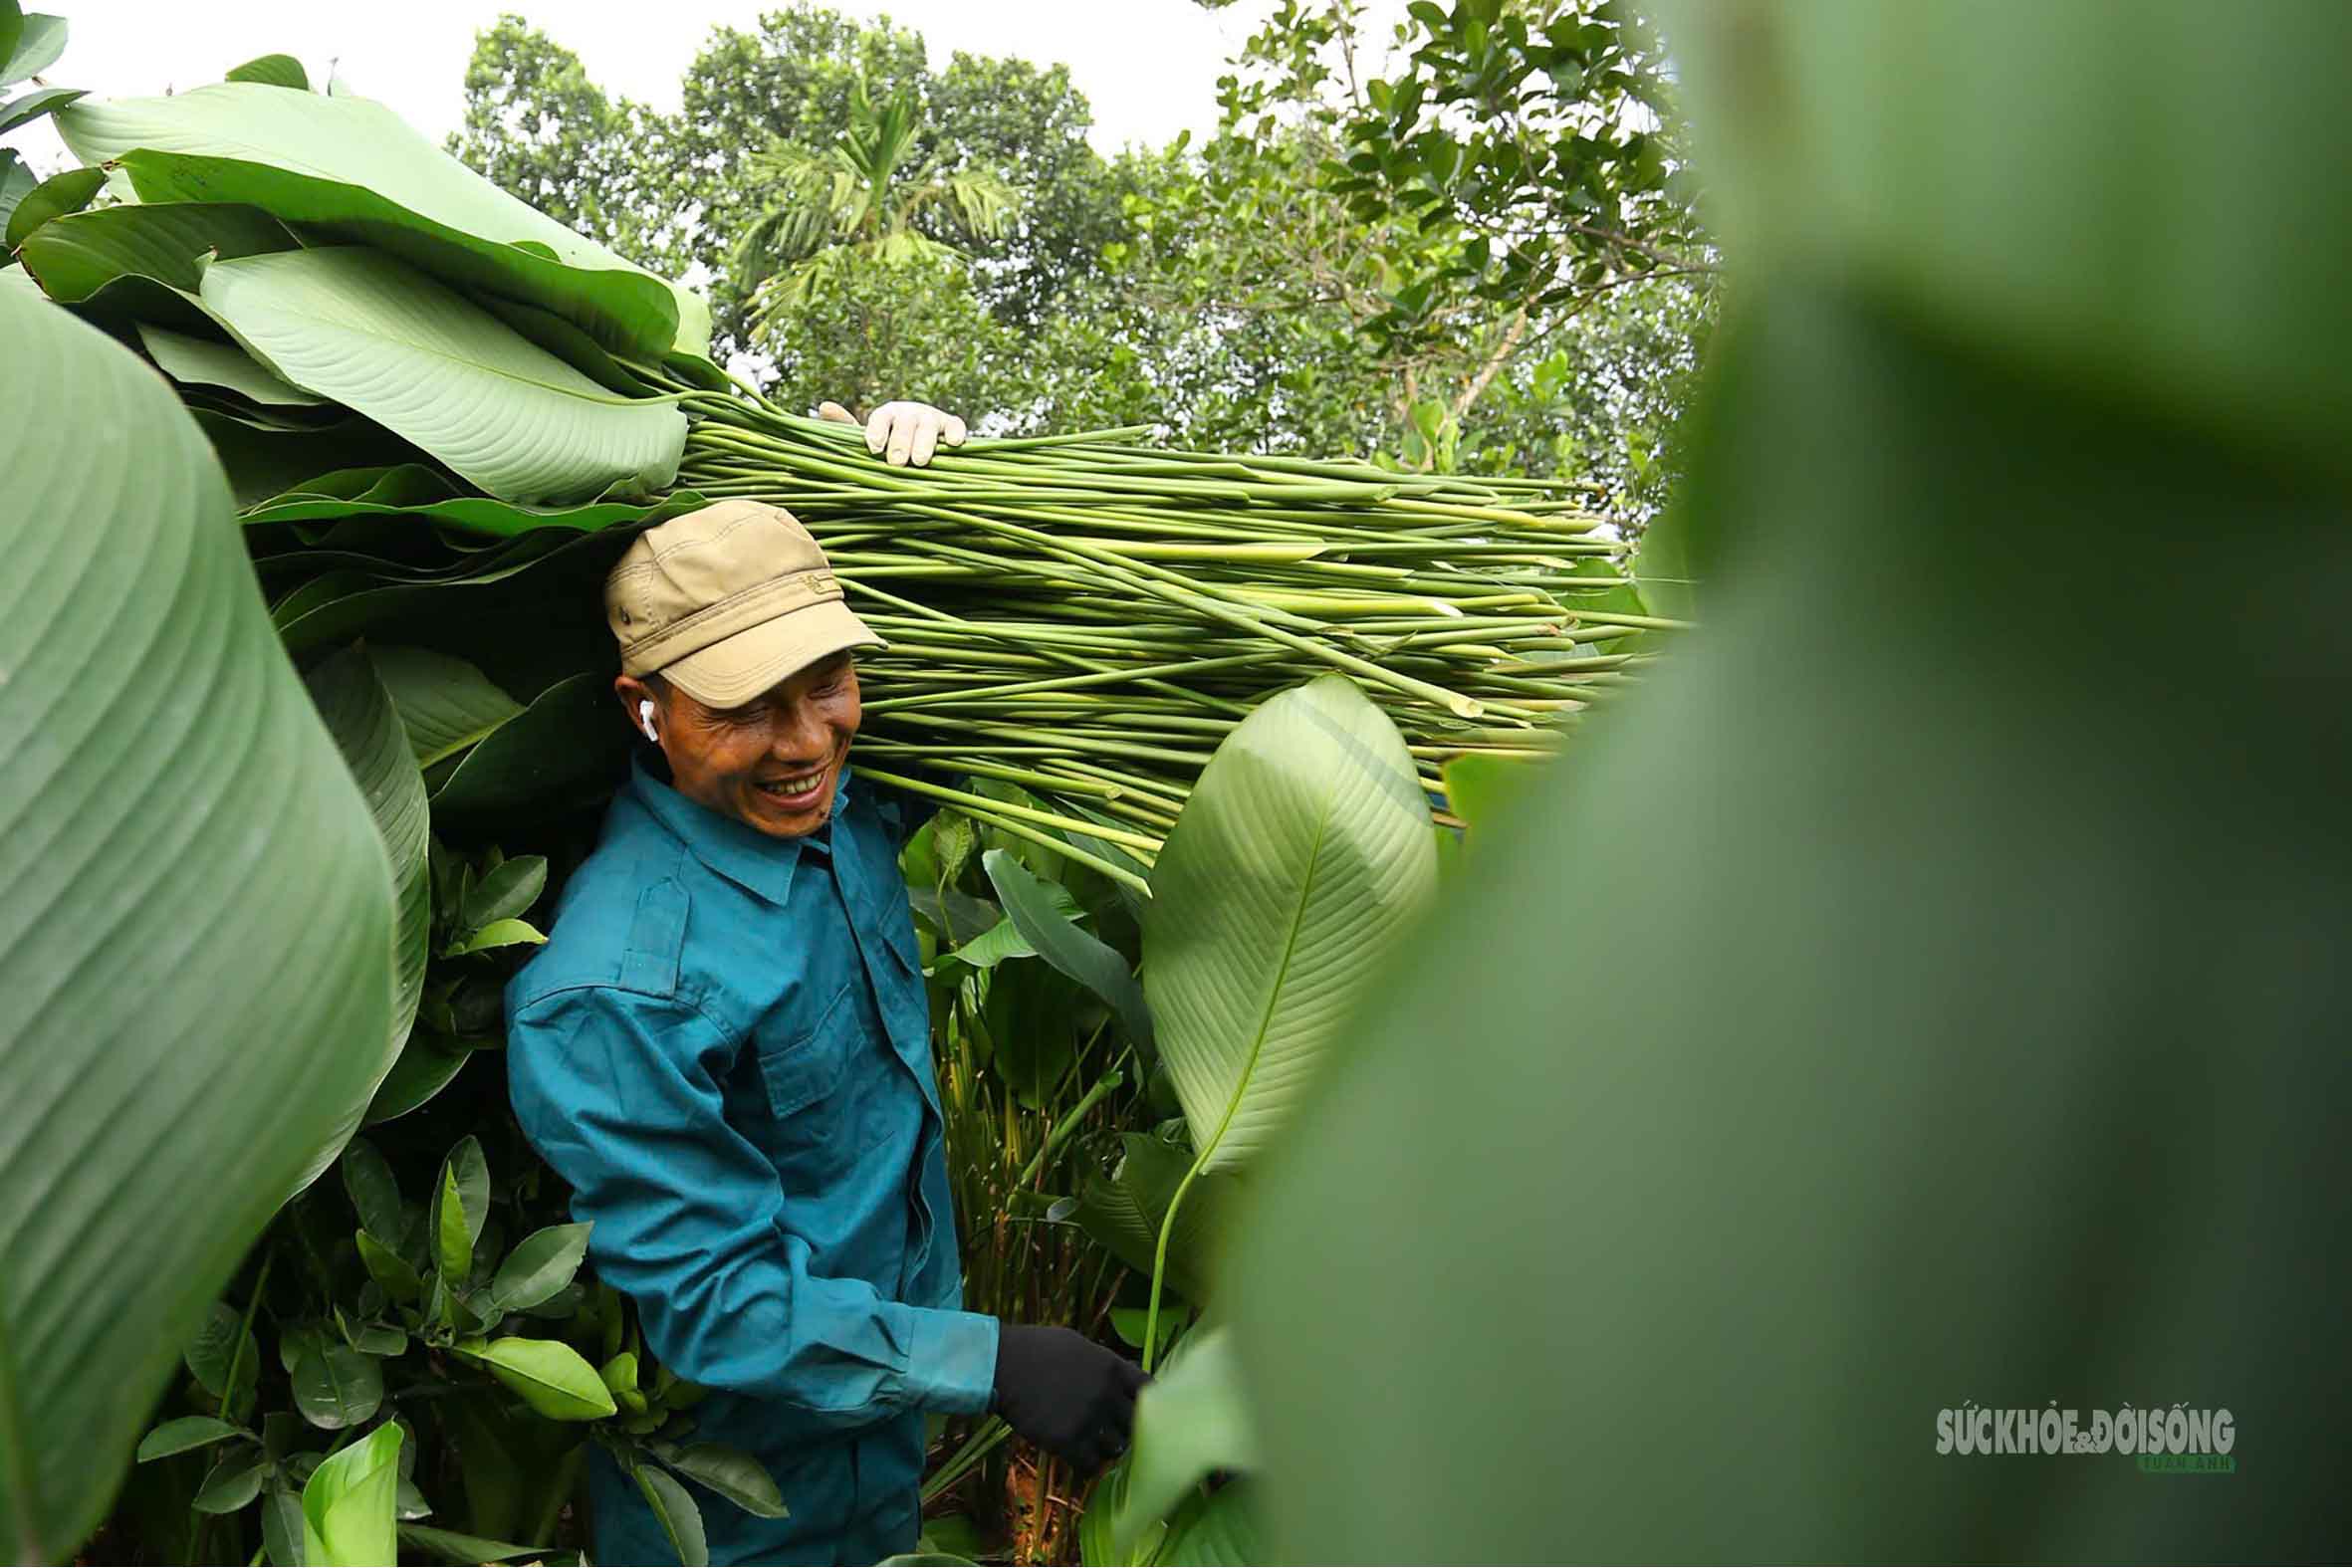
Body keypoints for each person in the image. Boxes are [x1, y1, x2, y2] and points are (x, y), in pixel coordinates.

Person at [505, 400, 1145, 1566]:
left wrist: (930, 471)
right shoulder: (615, 989)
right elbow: (714, 1304)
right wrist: (991, 1360)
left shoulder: (840, 814)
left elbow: (1002, 651)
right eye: (744, 707)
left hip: (880, 1462)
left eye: (827, 680)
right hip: (741, 1513)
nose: (804, 742)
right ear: (642, 708)